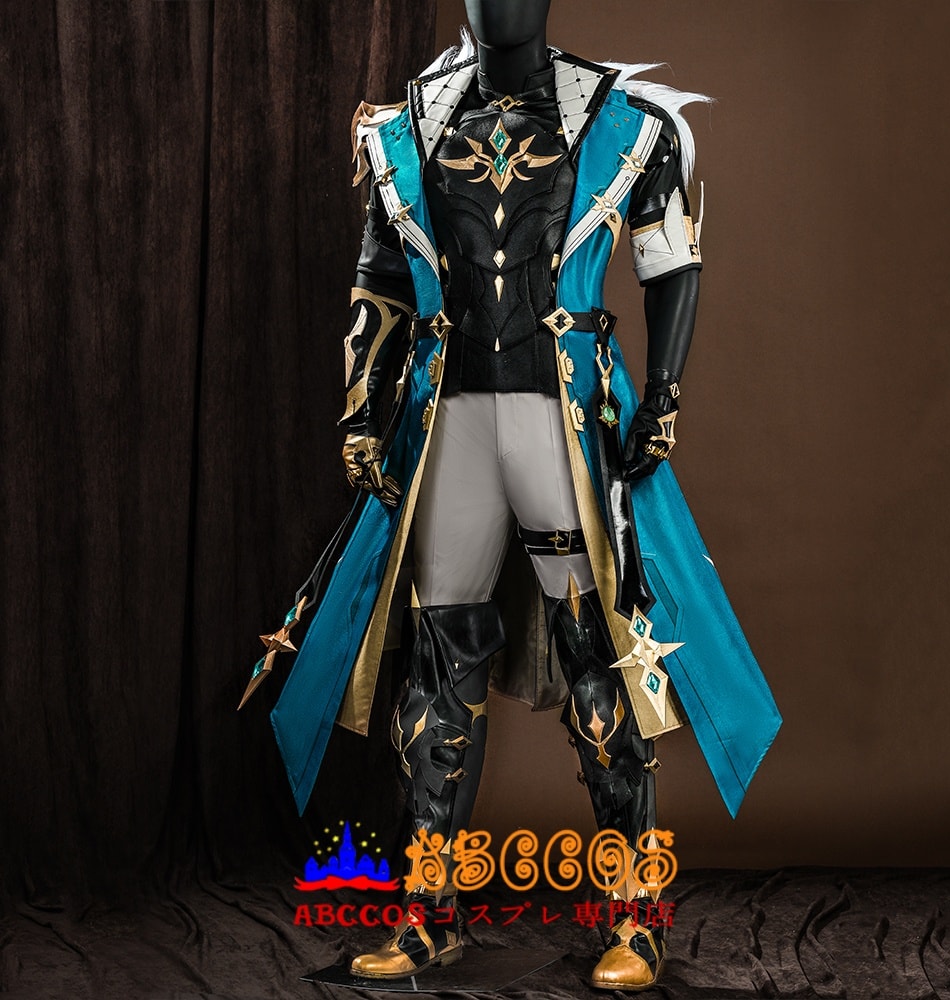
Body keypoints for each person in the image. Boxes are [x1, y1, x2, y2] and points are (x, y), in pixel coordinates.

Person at [253, 1, 781, 990]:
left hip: (558, 418)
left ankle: (635, 916)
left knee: (599, 654)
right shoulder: (408, 123)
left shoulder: (625, 122)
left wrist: (662, 398)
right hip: (450, 419)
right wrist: (362, 411)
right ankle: (428, 916)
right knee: (436, 664)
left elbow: (671, 264)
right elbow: (380, 281)